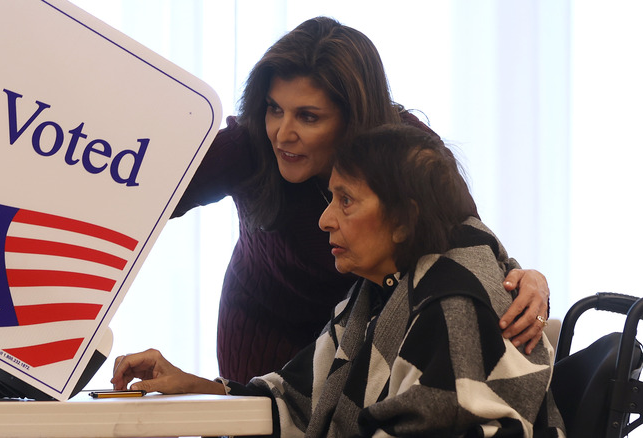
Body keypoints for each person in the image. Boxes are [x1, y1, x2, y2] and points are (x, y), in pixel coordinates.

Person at [112, 125, 565, 437]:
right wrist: (201, 388)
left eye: (345, 201)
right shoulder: (381, 290)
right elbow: (299, 400)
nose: (326, 219)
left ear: (405, 220)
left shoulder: (449, 307)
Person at [173, 16, 551, 383]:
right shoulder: (250, 143)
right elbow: (146, 198)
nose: (282, 134)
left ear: (352, 118)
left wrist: (526, 279)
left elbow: (463, 238)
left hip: (365, 335)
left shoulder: (407, 153)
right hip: (264, 326)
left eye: (307, 116)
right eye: (274, 108)